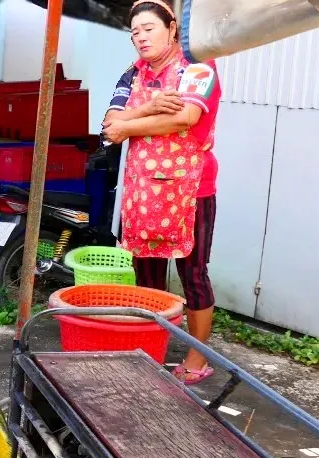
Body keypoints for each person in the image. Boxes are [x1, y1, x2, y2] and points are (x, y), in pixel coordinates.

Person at [102, 0, 222, 385]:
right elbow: (109, 124)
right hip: (142, 192)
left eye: (149, 28)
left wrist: (129, 124)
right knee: (147, 274)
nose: (140, 38)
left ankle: (196, 358)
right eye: (135, 32)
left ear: (172, 29)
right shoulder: (131, 74)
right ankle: (150, 346)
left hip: (191, 191)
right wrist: (150, 107)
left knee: (193, 274)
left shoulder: (199, 65)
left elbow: (185, 118)